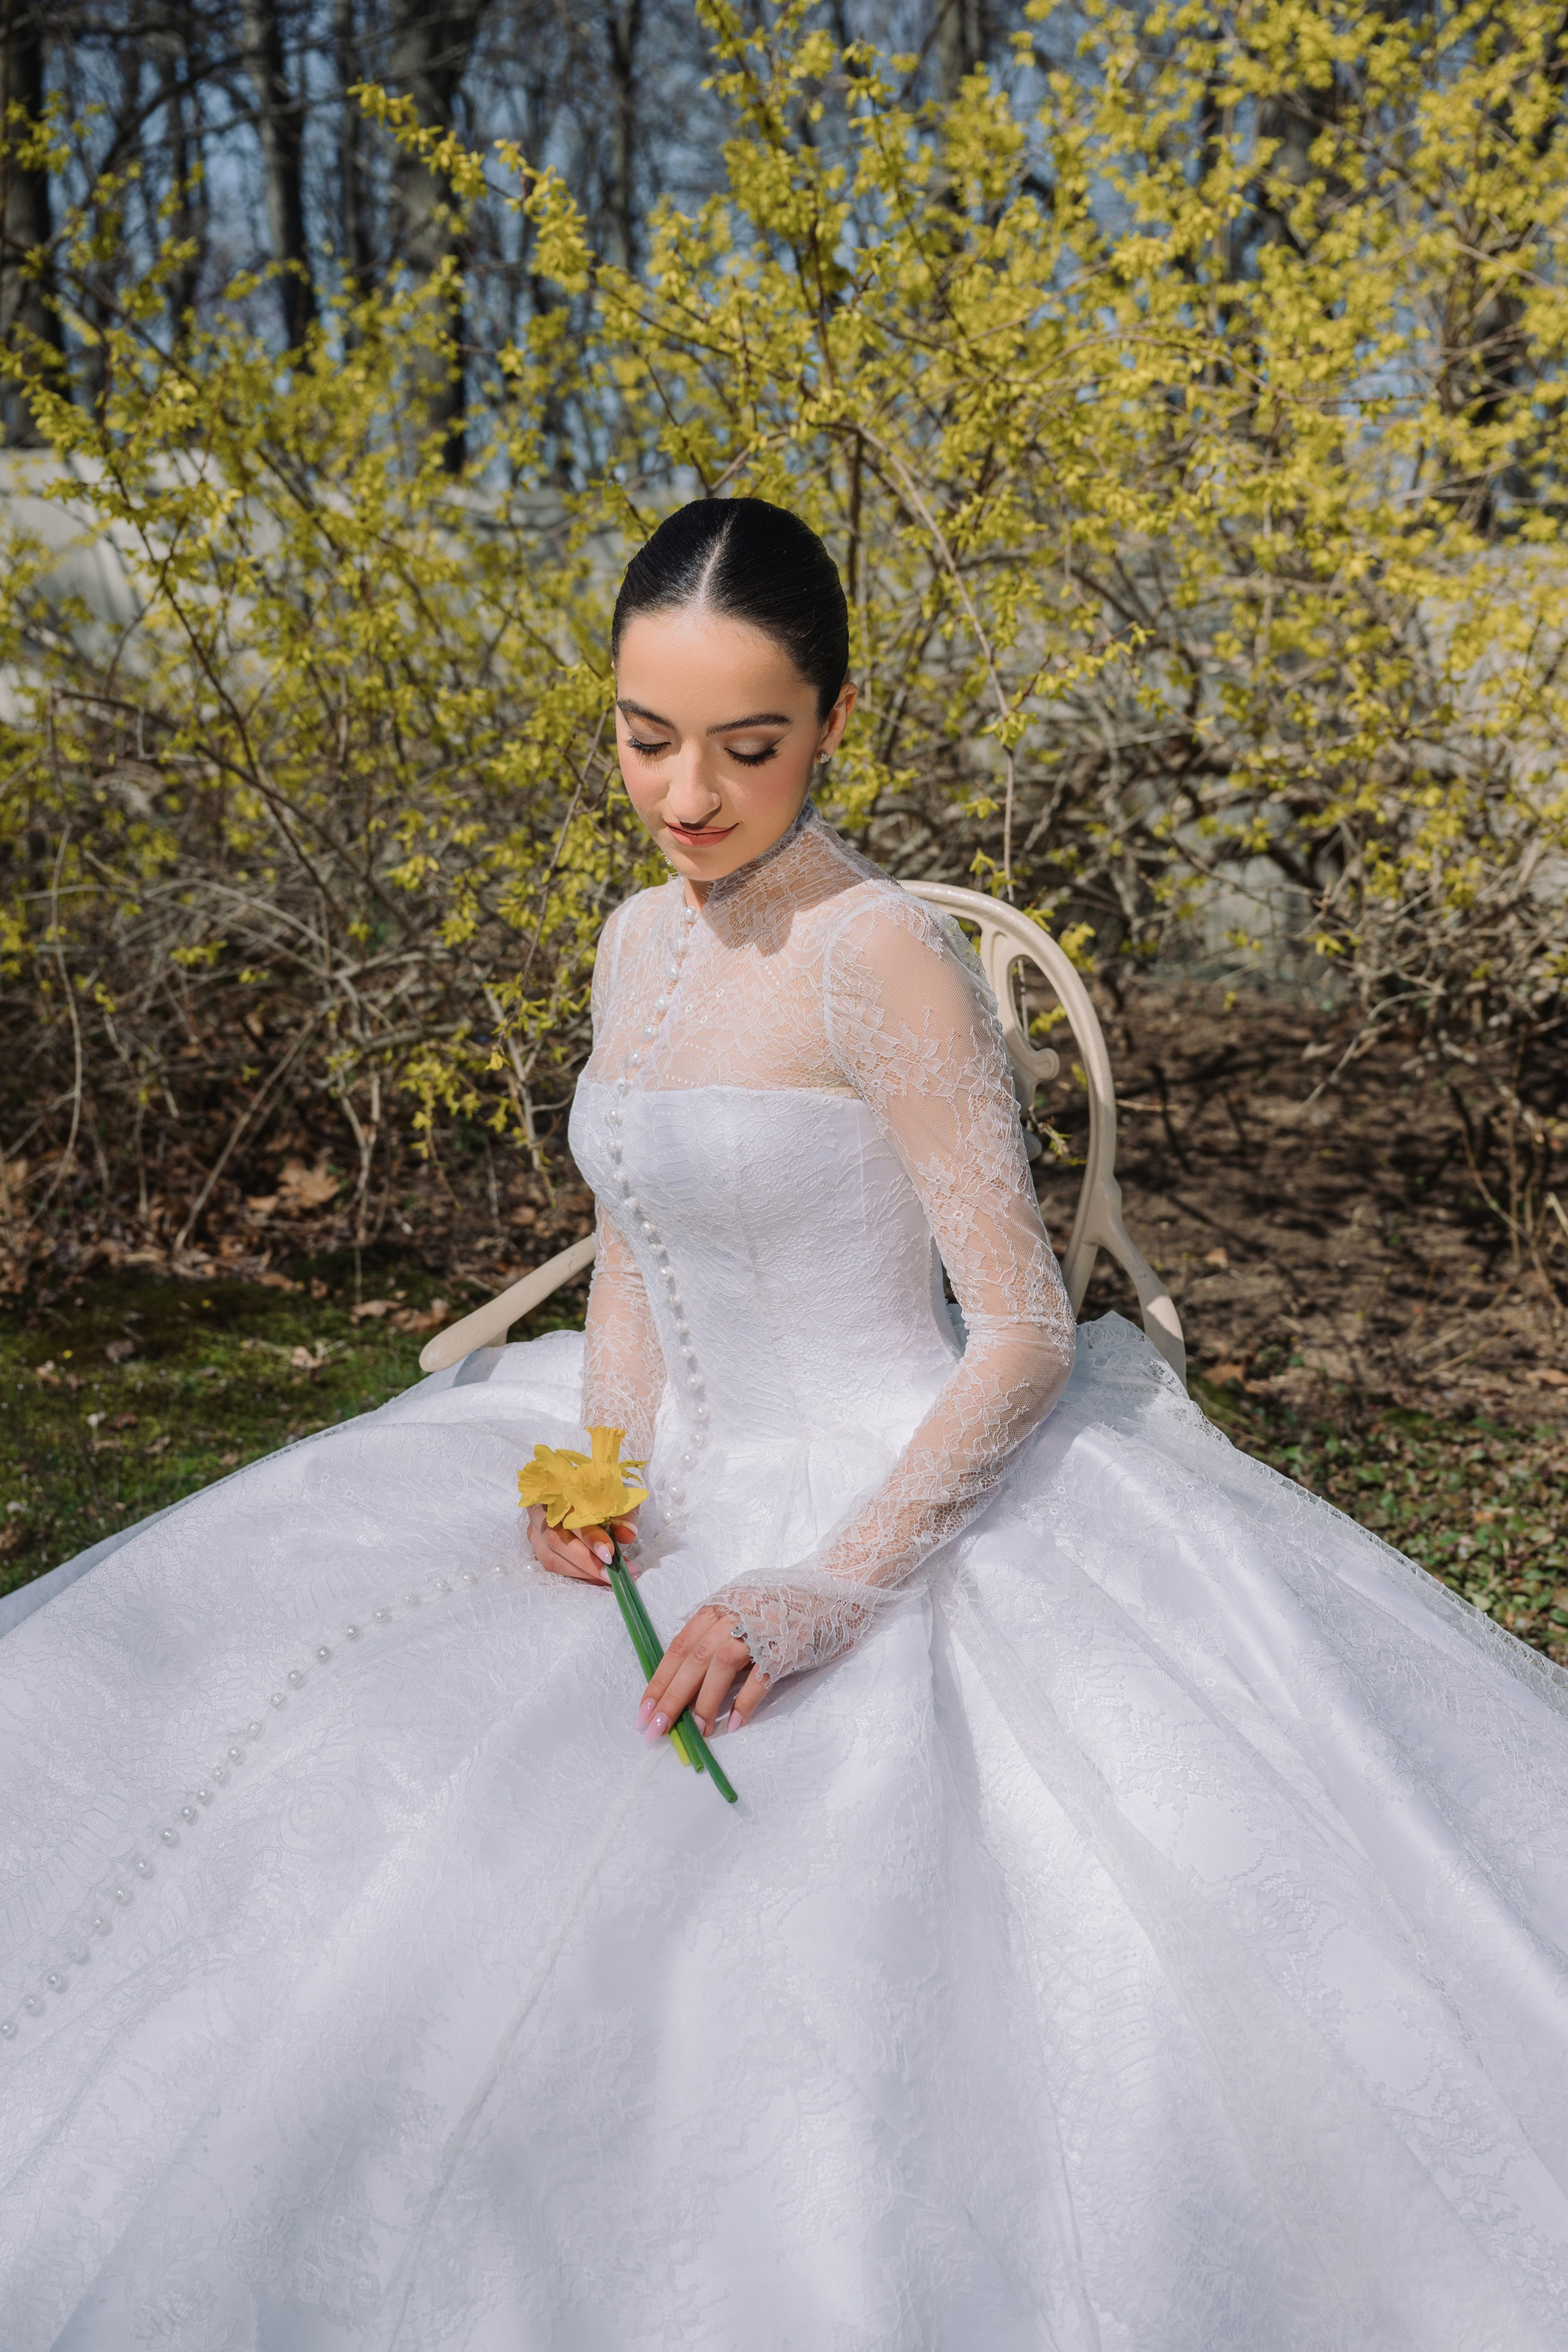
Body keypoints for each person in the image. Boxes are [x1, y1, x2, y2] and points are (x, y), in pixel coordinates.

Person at [2, 498, 1566, 2352]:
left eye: (746, 746)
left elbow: (1020, 1337)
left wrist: (828, 1590)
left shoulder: (878, 953)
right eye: (645, 736)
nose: (687, 793)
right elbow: (636, 1250)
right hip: (673, 1467)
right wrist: (596, 1462)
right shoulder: (628, 946)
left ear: (830, 723)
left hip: (890, 1471)